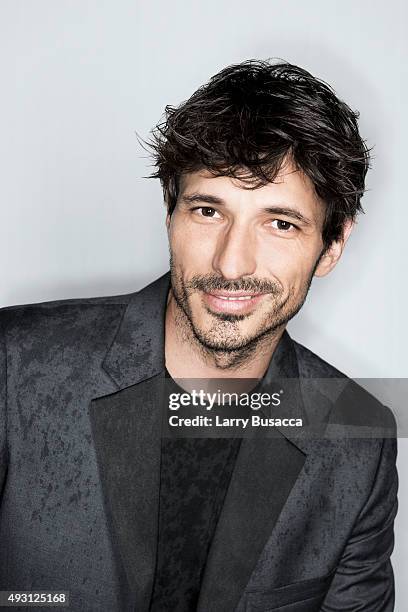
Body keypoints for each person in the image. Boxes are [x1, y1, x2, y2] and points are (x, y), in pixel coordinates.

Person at [0, 60, 398, 612]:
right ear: (170, 214)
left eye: (280, 223)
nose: (232, 264)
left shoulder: (358, 441)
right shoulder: (13, 366)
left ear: (332, 245)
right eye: (208, 210)